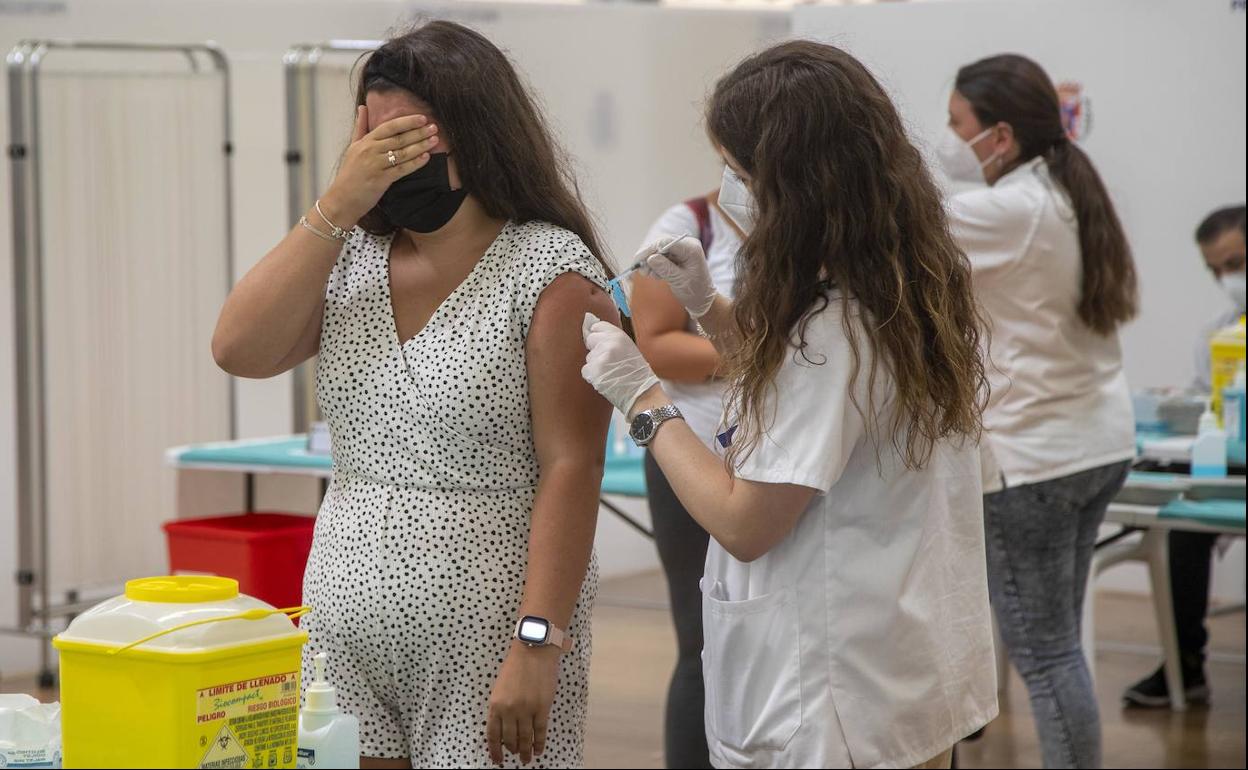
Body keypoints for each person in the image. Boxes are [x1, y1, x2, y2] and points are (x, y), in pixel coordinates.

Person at [211, 22, 618, 769]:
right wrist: (335, 206)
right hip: (345, 630)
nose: (393, 164)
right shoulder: (351, 258)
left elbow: (574, 465)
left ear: (475, 137)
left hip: (488, 636)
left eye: (412, 144)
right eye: (377, 143)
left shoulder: (553, 273)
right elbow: (238, 348)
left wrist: (538, 642)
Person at [582, 40, 998, 769]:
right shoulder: (898, 286)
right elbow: (805, 392)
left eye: (740, 173)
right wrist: (711, 308)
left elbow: (746, 523)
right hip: (899, 668)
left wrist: (643, 400)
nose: (729, 191)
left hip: (838, 697)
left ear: (795, 183)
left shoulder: (832, 330)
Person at [937, 54, 1139, 769]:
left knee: (1048, 656)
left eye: (956, 124)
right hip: (1094, 444)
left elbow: (896, 235)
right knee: (1059, 645)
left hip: (1036, 461)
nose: (946, 137)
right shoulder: (1059, 190)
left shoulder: (1008, 207)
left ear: (999, 136)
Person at [631, 188, 742, 769]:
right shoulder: (684, 228)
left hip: (772, 461)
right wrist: (754, 350)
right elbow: (652, 345)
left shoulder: (808, 218)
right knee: (701, 643)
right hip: (692, 452)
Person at [1123, 204, 1245, 708]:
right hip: (1231, 461)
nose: (1227, 279)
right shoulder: (1218, 333)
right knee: (1179, 523)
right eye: (1216, 269)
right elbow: (1207, 399)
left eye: (1236, 263)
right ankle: (1185, 664)